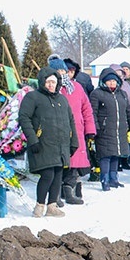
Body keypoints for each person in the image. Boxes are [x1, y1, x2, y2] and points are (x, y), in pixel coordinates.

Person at [19, 68, 79, 217]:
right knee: (47, 175)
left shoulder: (62, 99)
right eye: (48, 82)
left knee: (58, 175)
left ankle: (52, 206)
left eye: (54, 82)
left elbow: (71, 121)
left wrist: (74, 142)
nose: (51, 85)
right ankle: (39, 205)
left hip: (61, 144)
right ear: (42, 82)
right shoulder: (33, 97)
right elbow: (24, 118)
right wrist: (33, 140)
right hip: (42, 143)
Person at [48, 57, 95, 206]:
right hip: (57, 131)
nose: (62, 73)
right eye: (58, 71)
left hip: (77, 130)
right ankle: (55, 194)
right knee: (58, 163)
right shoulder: (50, 89)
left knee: (74, 162)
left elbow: (86, 109)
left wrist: (90, 129)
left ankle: (69, 191)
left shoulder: (77, 88)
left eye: (64, 70)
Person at [90, 67, 130, 191]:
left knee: (116, 155)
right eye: (109, 81)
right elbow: (92, 113)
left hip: (120, 129)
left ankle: (114, 179)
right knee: (106, 156)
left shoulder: (122, 94)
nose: (112, 83)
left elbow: (128, 111)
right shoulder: (97, 94)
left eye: (114, 81)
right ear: (104, 82)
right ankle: (104, 180)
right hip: (104, 130)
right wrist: (96, 128)